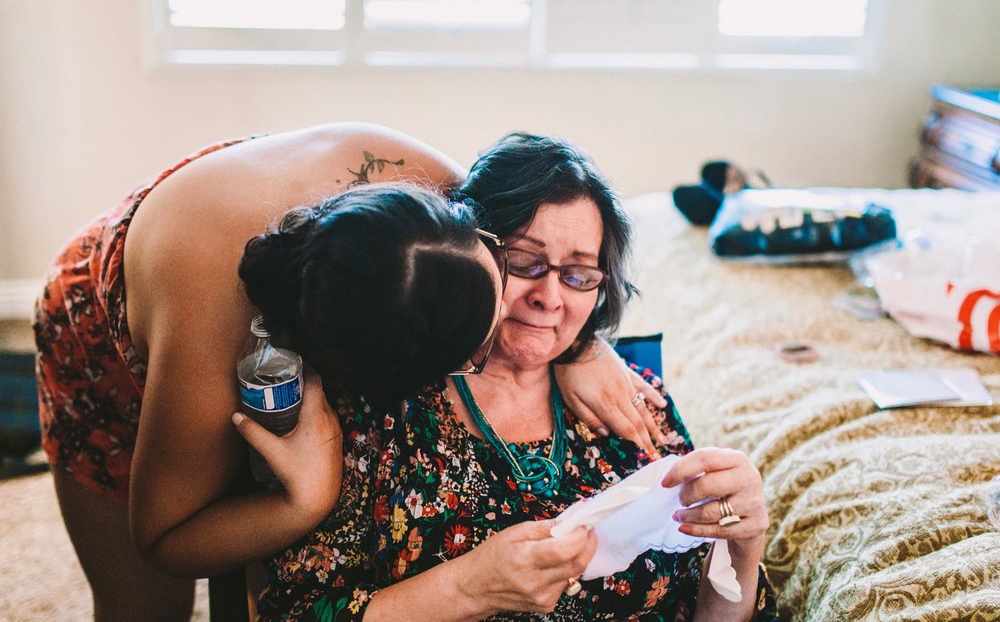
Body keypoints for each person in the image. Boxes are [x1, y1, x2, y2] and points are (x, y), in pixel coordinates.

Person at [32, 123, 664, 621]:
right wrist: (305, 501)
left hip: (235, 229)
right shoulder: (211, 321)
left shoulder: (445, 200)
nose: (522, 304)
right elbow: (165, 537)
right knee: (141, 608)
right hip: (101, 319)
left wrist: (583, 345)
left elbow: (550, 236)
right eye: (514, 271)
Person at [256, 132, 779, 620]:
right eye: (526, 262)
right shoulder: (385, 402)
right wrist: (467, 587)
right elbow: (298, 609)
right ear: (472, 257)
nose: (550, 297)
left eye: (578, 275)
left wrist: (743, 545)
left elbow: (712, 603)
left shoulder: (635, 401)